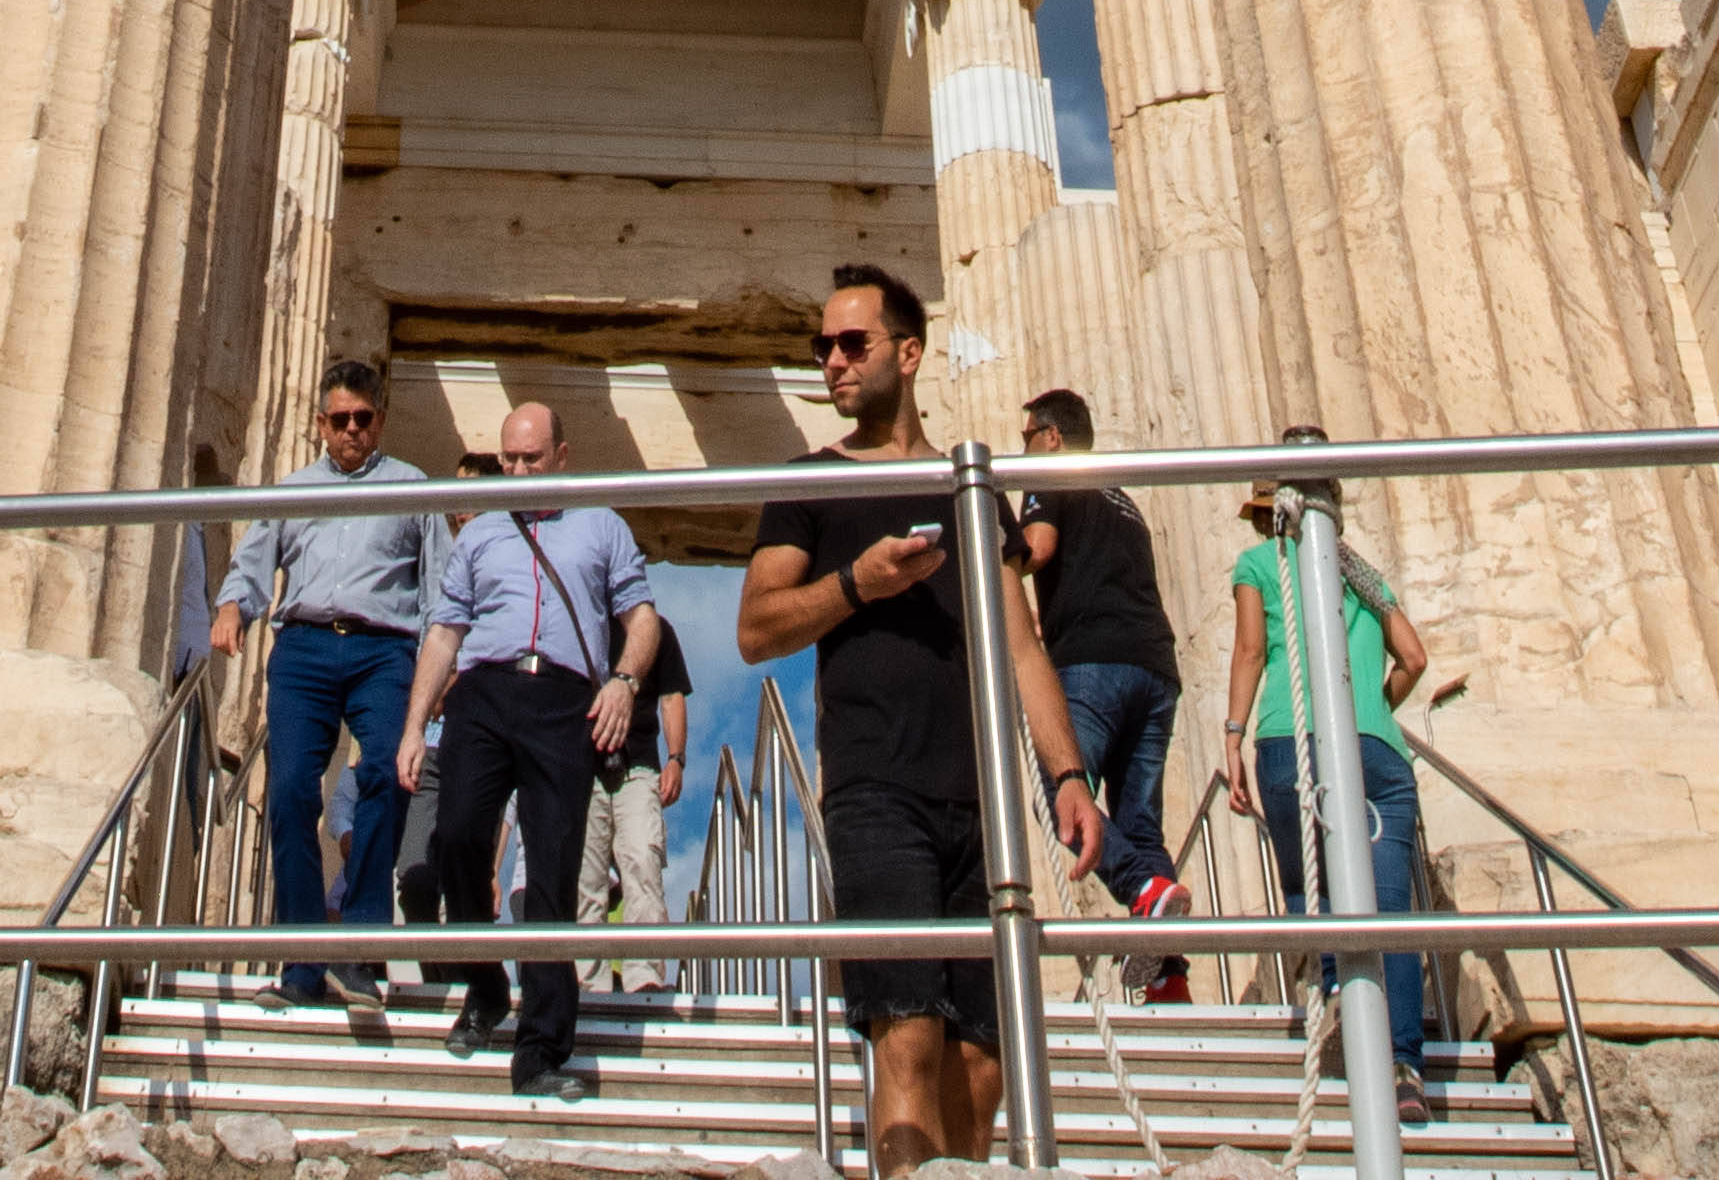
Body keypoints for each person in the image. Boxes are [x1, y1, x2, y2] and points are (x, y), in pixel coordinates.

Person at [738, 264, 1101, 1180]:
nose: (830, 362)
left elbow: (1023, 647)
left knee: (982, 1063)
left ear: (909, 351)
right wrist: (858, 583)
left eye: (851, 343)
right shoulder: (807, 480)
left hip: (977, 796)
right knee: (905, 1036)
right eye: (820, 347)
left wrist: (1066, 775)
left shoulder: (969, 484)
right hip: (873, 787)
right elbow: (755, 626)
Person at [397, 396, 673, 1095]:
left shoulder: (602, 525)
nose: (517, 468)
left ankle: (543, 1052)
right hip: (484, 694)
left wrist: (624, 681)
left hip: (563, 702)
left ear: (561, 456)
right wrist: (412, 724)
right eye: (508, 457)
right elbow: (444, 633)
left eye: (530, 457)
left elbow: (643, 620)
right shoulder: (481, 532)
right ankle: (485, 983)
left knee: (552, 873)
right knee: (456, 836)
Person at [211, 369, 438, 1017]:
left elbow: (442, 583)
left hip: (384, 648)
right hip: (306, 646)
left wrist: (440, 670)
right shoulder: (295, 488)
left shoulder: (414, 487)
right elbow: (255, 558)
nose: (352, 431)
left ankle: (361, 947)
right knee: (287, 794)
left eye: (363, 418)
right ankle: (303, 959)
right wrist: (234, 606)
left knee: (391, 776)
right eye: (339, 420)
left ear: (380, 421)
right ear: (320, 424)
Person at [1218, 428, 1442, 1080]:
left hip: (1292, 741)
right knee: (1391, 914)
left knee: (1302, 886)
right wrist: (1367, 715)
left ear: (1271, 513)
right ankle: (1402, 1066)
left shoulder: (1260, 564)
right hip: (1377, 749)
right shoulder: (1365, 578)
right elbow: (1416, 659)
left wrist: (1232, 736)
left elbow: (1252, 652)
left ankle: (1337, 998)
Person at [1011, 387, 1193, 1004]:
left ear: (1052, 436)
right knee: (1140, 823)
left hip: (1092, 664)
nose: (1023, 448)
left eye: (1026, 435)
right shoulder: (1124, 500)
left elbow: (1037, 549)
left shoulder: (1048, 478)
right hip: (1155, 668)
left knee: (1058, 791)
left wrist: (984, 562)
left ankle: (1143, 891)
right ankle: (1169, 978)